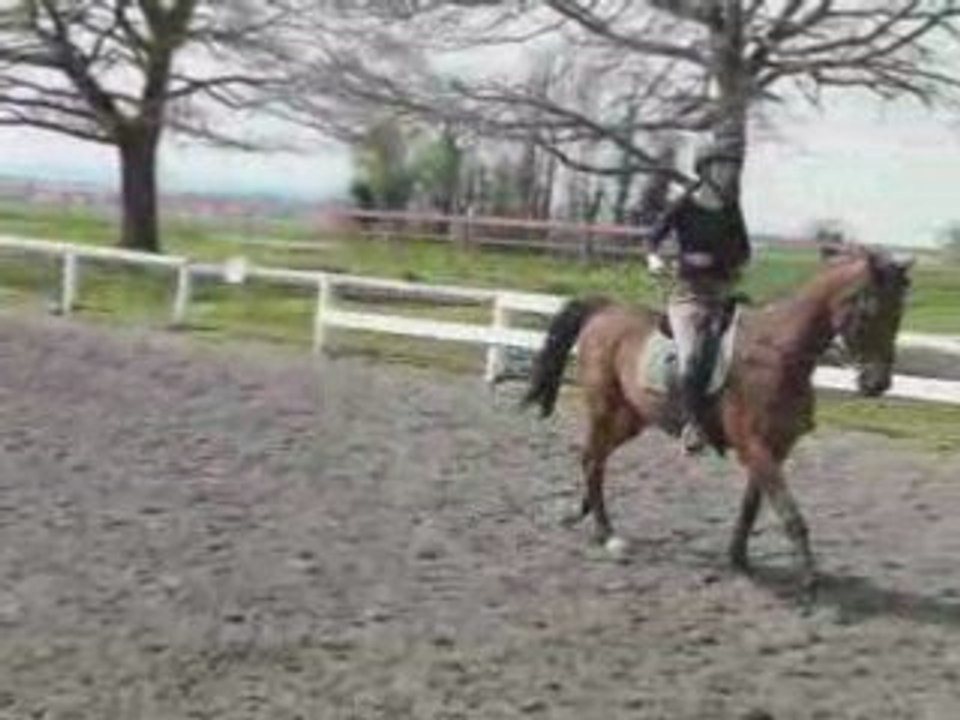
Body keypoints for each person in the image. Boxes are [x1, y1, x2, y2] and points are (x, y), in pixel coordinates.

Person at [644, 142, 752, 454]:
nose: (729, 172)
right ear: (705, 170)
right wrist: (662, 259)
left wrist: (725, 262)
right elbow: (654, 238)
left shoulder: (731, 208)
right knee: (691, 356)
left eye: (732, 167)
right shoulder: (684, 205)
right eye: (722, 166)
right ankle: (692, 424)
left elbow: (743, 250)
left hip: (723, 294)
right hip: (688, 296)